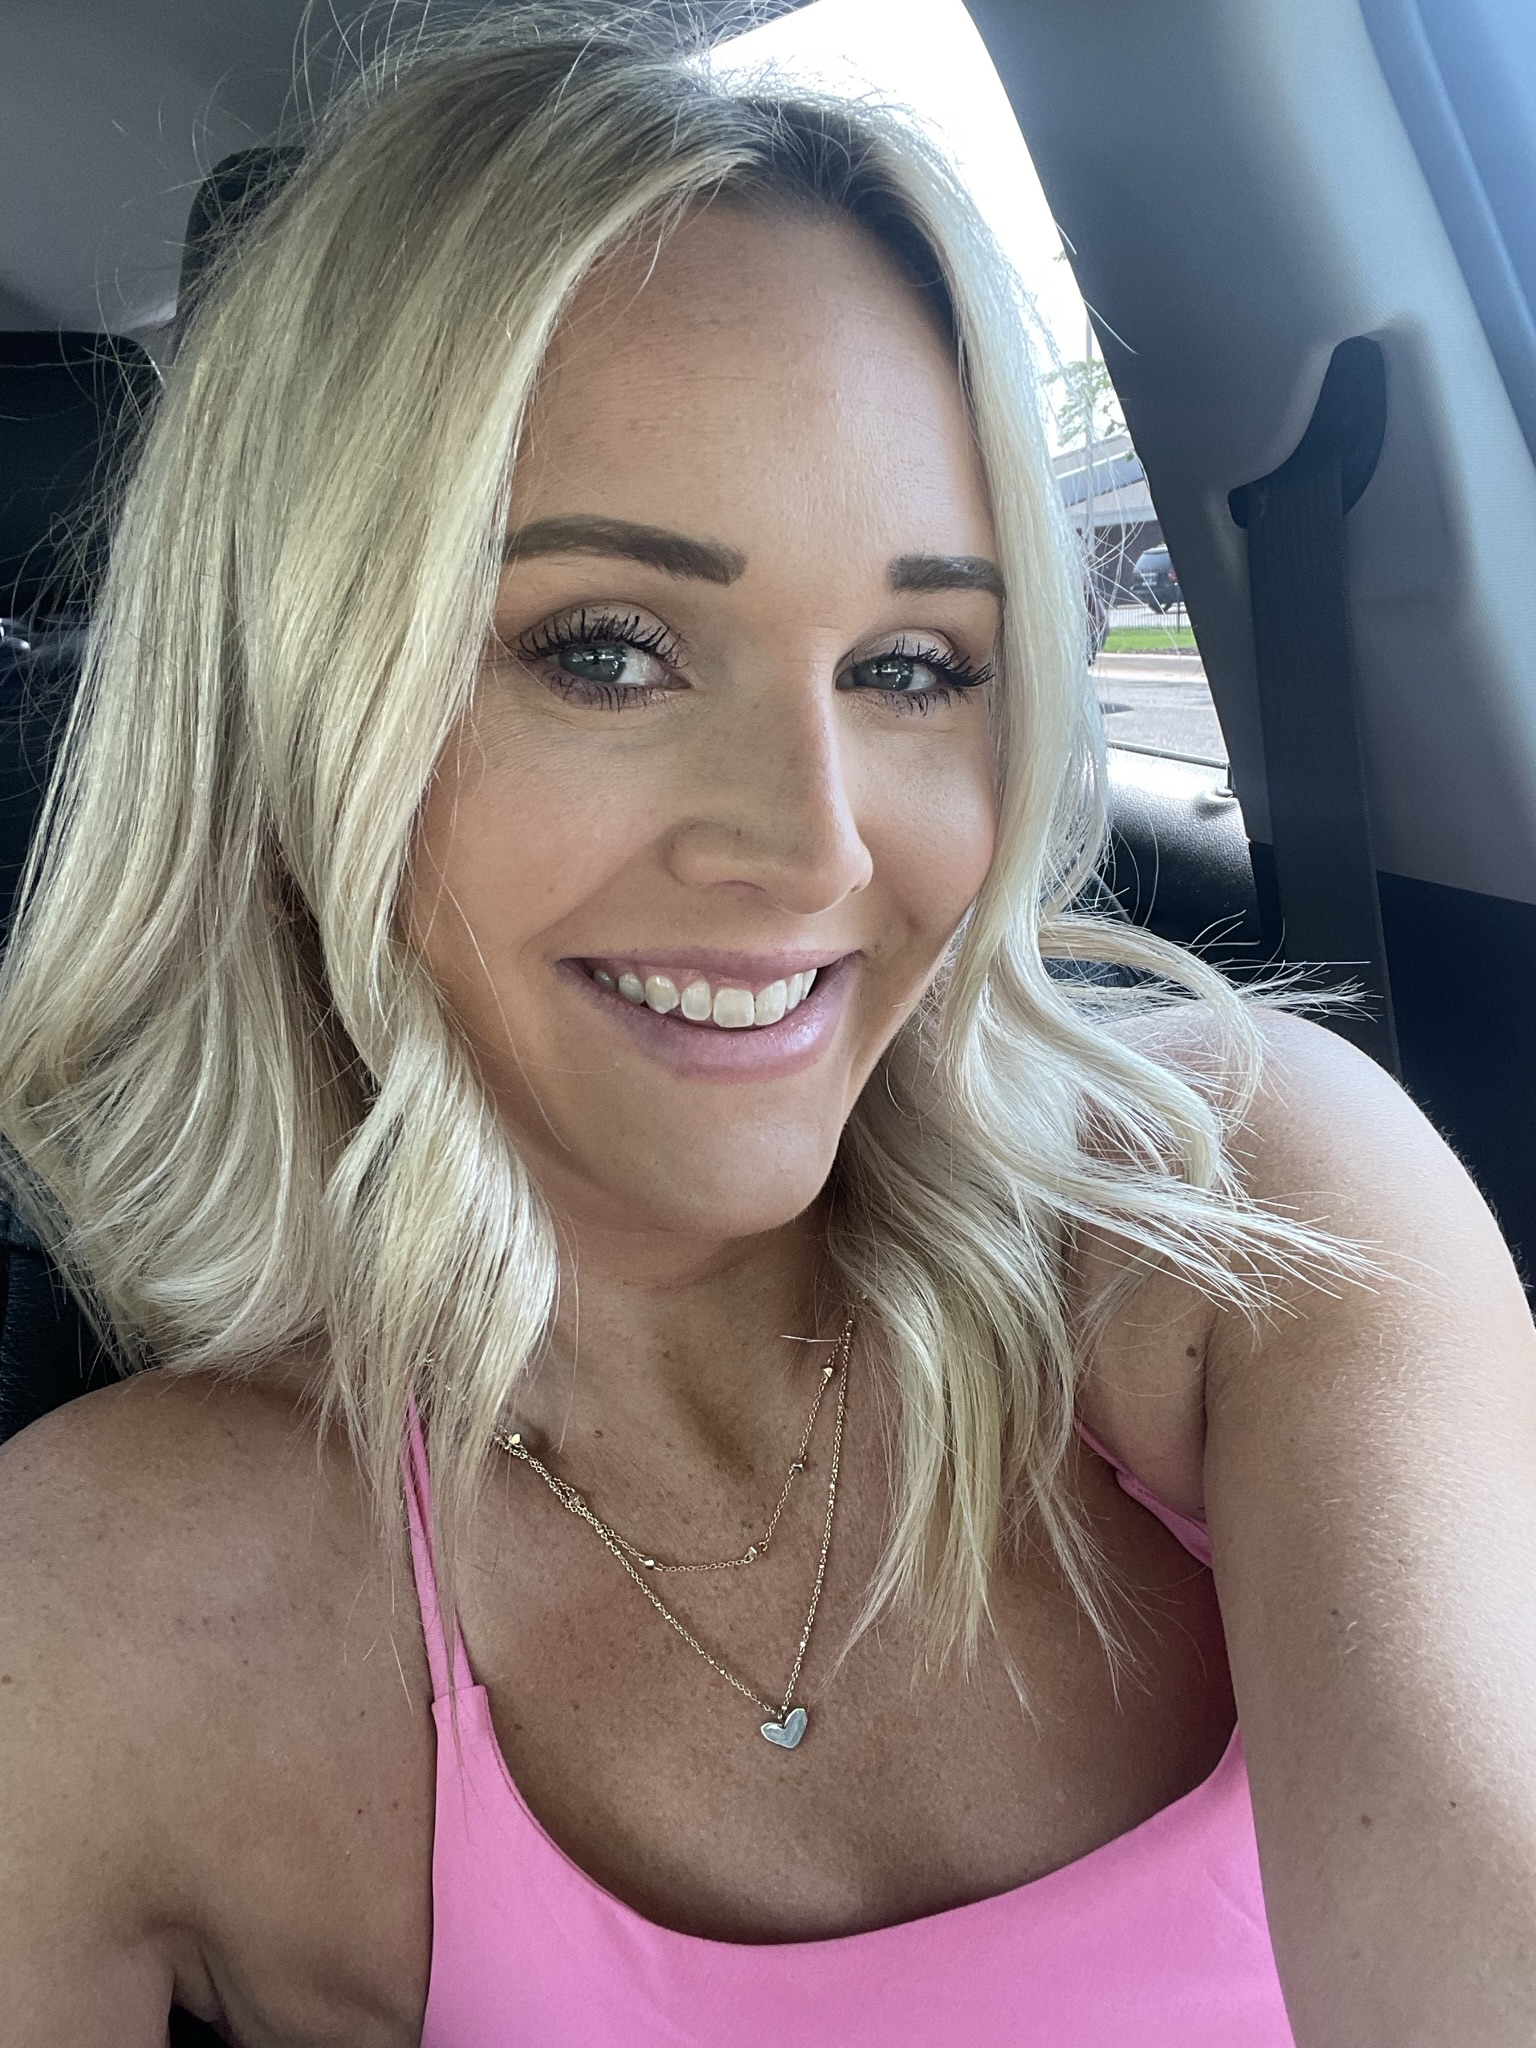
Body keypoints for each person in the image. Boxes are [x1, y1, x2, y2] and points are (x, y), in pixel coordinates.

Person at [2, 13, 1534, 2047]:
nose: (819, 849)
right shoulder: (100, 1616)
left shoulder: (1245, 1212)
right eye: (607, 651)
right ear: (289, 701)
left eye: (913, 665)